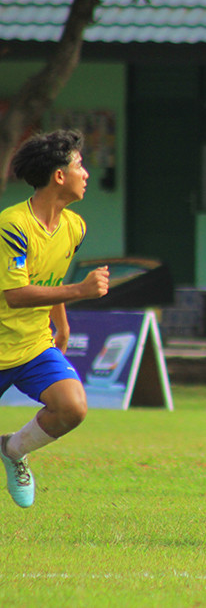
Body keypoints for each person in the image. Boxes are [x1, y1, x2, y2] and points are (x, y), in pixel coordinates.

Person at [0, 129, 110, 508]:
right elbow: (16, 295)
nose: (86, 174)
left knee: (72, 407)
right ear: (59, 176)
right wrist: (81, 291)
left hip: (33, 345)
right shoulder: (13, 225)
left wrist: (62, 325)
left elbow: (49, 279)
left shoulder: (74, 227)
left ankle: (12, 450)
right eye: (80, 166)